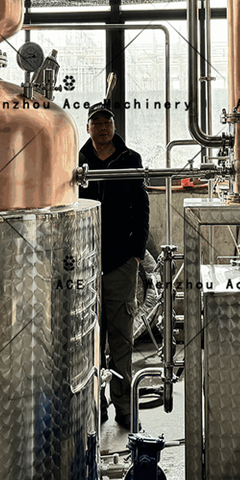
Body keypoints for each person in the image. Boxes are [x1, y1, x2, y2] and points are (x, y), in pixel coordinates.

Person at [78, 102, 149, 429]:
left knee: (121, 340)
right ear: (88, 127)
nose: (102, 127)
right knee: (89, 339)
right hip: (84, 263)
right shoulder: (76, 161)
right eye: (96, 122)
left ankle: (123, 408)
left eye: (107, 122)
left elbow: (142, 208)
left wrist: (136, 253)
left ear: (114, 127)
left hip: (121, 262)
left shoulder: (130, 160)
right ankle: (96, 406)